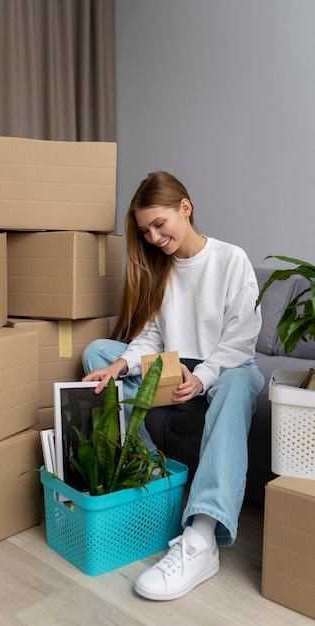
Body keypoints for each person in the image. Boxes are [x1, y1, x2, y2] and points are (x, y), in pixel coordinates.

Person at [82, 171, 264, 601]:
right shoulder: (159, 270)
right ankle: (140, 479)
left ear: (186, 207)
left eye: (159, 224)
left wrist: (202, 377)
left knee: (238, 387)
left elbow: (241, 339)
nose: (153, 237)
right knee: (97, 354)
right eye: (145, 231)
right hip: (174, 366)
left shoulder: (230, 258)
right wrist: (121, 366)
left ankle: (201, 536)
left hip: (226, 368)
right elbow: (150, 338)